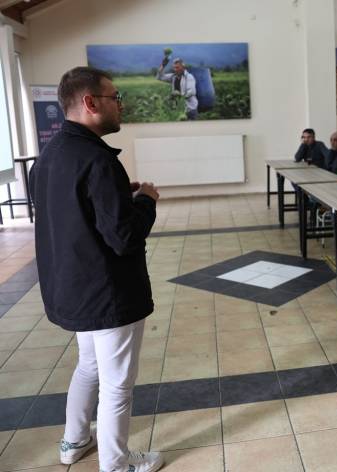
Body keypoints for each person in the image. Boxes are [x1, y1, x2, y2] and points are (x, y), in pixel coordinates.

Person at [28, 67, 163, 472]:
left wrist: (121, 196)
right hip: (107, 293)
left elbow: (73, 214)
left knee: (88, 366)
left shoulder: (48, 155)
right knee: (117, 386)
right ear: (90, 103)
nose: (120, 104)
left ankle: (73, 442)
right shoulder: (97, 160)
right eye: (114, 96)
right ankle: (116, 466)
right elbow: (125, 238)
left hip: (71, 287)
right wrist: (146, 201)